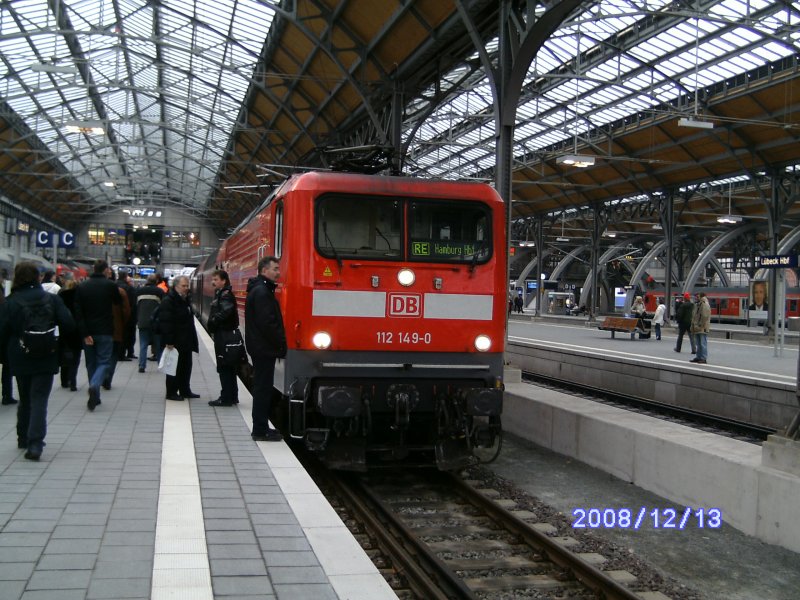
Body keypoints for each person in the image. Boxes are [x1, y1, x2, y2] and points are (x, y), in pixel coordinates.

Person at [0, 261, 75, 460]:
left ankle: (23, 436)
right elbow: (68, 323)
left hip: (20, 353)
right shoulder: (52, 299)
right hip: (46, 352)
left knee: (25, 397)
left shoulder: (10, 302)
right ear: (38, 277)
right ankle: (35, 443)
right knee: (39, 398)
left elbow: (2, 331)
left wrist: (5, 356)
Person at [245, 256, 286, 442]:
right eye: (275, 269)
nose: (278, 272)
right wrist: (281, 343)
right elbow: (268, 323)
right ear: (264, 271)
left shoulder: (260, 289)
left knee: (262, 388)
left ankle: (261, 427)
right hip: (264, 349)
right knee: (263, 389)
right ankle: (260, 430)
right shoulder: (262, 292)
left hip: (261, 348)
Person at [74, 259, 121, 411]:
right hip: (105, 329)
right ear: (106, 270)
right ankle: (95, 386)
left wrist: (84, 333)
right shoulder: (110, 285)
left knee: (91, 363)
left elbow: (78, 312)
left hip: (88, 331)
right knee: (104, 362)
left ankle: (95, 395)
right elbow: (118, 301)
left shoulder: (82, 286)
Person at [158, 275, 199, 401]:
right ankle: (171, 392)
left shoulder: (184, 299)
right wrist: (169, 340)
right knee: (174, 367)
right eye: (183, 286)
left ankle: (185, 390)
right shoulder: (169, 300)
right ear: (176, 286)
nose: (186, 288)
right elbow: (166, 321)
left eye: (187, 285)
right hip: (176, 341)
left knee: (186, 366)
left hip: (185, 339)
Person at [208, 270, 240, 407]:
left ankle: (226, 397)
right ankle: (232, 396)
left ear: (224, 280)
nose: (213, 282)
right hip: (226, 334)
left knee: (224, 366)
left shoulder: (225, 295)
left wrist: (214, 321)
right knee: (229, 366)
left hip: (224, 335)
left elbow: (226, 311)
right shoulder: (223, 293)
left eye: (216, 279)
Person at [135, 274, 165, 373]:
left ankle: (142, 366)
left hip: (142, 322)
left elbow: (135, 307)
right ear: (156, 281)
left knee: (143, 345)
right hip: (156, 323)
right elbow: (164, 307)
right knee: (158, 345)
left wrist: (137, 319)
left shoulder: (139, 291)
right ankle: (160, 365)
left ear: (147, 281)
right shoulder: (159, 292)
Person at [57, 279, 82, 391]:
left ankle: (64, 381)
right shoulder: (79, 296)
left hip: (64, 329)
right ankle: (73, 381)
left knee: (65, 355)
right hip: (76, 330)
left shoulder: (61, 296)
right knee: (75, 357)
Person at [117, 271, 138, 360]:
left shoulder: (113, 286)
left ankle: (119, 353)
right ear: (125, 277)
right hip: (129, 316)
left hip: (116, 315)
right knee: (129, 335)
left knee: (119, 335)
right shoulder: (129, 288)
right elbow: (133, 304)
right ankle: (129, 352)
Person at [690, 292, 711, 364]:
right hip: (697, 326)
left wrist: (700, 324)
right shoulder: (698, 304)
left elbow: (705, 316)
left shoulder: (704, 304)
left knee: (702, 343)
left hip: (702, 327)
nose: (696, 298)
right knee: (698, 343)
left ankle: (703, 358)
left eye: (697, 296)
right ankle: (698, 357)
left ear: (701, 297)